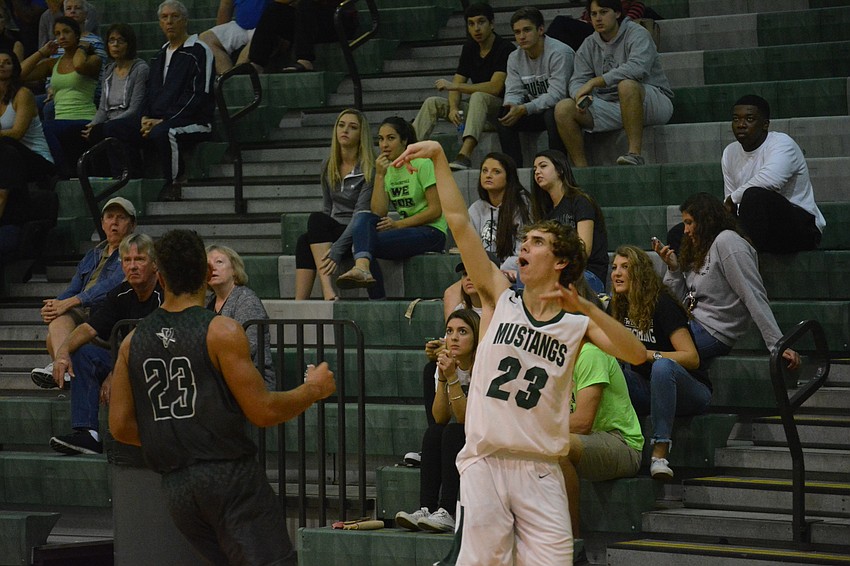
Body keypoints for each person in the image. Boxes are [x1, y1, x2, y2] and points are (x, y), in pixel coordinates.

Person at [392, 140, 645, 564]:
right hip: (486, 462)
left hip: (542, 468)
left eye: (537, 242)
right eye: (524, 241)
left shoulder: (577, 324)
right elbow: (458, 222)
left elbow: (637, 355)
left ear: (561, 260)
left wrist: (585, 308)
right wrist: (439, 158)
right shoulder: (498, 298)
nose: (523, 247)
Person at [109, 229, 336, 565]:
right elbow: (262, 411)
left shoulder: (132, 342)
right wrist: (312, 389)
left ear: (159, 276)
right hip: (229, 478)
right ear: (205, 273)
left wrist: (179, 436)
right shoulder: (220, 330)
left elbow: (120, 427)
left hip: (177, 488)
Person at [654, 192, 801, 372]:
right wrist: (674, 270)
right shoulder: (700, 248)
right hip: (692, 323)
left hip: (715, 332)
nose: (685, 230)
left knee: (654, 352)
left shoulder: (728, 241)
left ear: (706, 221)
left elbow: (753, 294)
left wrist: (777, 344)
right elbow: (680, 302)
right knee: (646, 342)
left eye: (689, 222)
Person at [48, 233, 162, 455]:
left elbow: (149, 345)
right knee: (83, 353)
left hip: (157, 361)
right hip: (127, 359)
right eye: (127, 261)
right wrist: (62, 353)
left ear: (155, 264)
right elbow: (87, 329)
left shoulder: (164, 294)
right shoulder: (121, 293)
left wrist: (115, 374)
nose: (133, 266)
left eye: (140, 260)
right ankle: (88, 435)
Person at [609, 245, 710, 480]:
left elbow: (691, 357)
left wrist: (645, 354)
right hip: (647, 389)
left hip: (689, 390)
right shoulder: (618, 306)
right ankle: (613, 440)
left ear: (641, 272)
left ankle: (660, 453)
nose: (617, 273)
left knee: (662, 367)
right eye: (614, 268)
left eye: (625, 267)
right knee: (606, 367)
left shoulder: (662, 304)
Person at [101, 0, 214, 202]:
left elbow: (199, 94)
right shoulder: (159, 55)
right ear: (160, 23)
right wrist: (145, 117)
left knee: (164, 132)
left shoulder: (199, 50)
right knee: (113, 129)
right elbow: (149, 93)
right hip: (157, 120)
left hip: (194, 121)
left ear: (185, 20)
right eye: (164, 17)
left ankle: (174, 183)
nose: (169, 21)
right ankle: (130, 179)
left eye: (174, 16)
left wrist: (165, 120)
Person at [335, 116, 447, 300]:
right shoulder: (386, 170)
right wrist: (379, 176)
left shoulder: (422, 163)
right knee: (363, 219)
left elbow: (436, 210)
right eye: (380, 139)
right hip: (407, 230)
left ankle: (376, 298)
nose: (384, 144)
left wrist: (398, 225)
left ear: (404, 141)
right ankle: (362, 268)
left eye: (391, 138)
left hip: (432, 232)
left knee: (366, 243)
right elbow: (379, 213)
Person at [31, 197, 135, 387]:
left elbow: (112, 285)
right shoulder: (92, 255)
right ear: (102, 223)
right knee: (55, 325)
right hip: (82, 309)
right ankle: (66, 369)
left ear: (132, 224)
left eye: (121, 218)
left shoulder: (132, 254)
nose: (114, 223)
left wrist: (71, 302)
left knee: (53, 337)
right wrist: (54, 305)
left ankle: (61, 366)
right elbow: (73, 287)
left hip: (105, 311)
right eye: (110, 217)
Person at [555, 0, 673, 167]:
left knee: (626, 85)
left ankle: (634, 154)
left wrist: (598, 81)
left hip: (650, 100)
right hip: (611, 105)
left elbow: (638, 68)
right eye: (594, 14)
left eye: (603, 12)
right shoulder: (589, 43)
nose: (598, 18)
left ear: (617, 13)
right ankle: (582, 169)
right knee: (563, 108)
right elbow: (577, 79)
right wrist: (579, 94)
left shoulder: (637, 33)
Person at [396, 309, 481, 534]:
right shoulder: (444, 364)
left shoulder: (483, 366)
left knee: (454, 432)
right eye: (449, 331)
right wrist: (443, 376)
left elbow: (465, 419)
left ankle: (447, 511)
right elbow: (440, 416)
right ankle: (426, 508)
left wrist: (452, 377)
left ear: (477, 337)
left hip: (489, 432)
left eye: (462, 331)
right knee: (435, 433)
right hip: (465, 430)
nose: (453, 337)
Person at [412, 3, 514, 171]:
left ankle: (464, 156)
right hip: (477, 112)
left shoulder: (505, 48)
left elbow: (495, 87)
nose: (476, 28)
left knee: (479, 96)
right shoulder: (470, 47)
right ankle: (407, 150)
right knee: (433, 102)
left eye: (481, 22)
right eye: (471, 23)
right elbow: (457, 81)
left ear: (492, 24)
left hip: (500, 112)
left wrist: (456, 86)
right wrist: (453, 107)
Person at [560, 333, 643, 537]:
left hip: (621, 443)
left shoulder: (590, 353)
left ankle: (572, 542)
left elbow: (582, 423)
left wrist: (532, 428)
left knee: (558, 448)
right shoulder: (553, 359)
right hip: (587, 440)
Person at [721, 94, 825, 253]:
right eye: (736, 119)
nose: (741, 124)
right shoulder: (729, 152)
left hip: (800, 227)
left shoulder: (783, 144)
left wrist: (732, 198)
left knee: (754, 195)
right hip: (755, 226)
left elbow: (770, 182)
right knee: (689, 228)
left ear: (765, 124)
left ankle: (746, 256)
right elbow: (731, 206)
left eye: (749, 119)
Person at [294, 108, 374, 300]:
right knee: (304, 240)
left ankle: (327, 290)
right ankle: (299, 302)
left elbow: (360, 214)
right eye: (341, 125)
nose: (345, 130)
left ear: (361, 134)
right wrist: (324, 238)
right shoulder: (328, 164)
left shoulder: (370, 167)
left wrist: (336, 249)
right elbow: (327, 207)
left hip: (357, 231)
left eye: (352, 127)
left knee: (316, 220)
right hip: (334, 227)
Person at [20, 16, 100, 177]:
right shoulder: (53, 64)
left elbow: (79, 66)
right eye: (57, 34)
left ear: (77, 35)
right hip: (61, 119)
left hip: (84, 118)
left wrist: (82, 48)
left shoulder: (93, 59)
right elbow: (19, 74)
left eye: (66, 32)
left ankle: (61, 173)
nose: (61, 37)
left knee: (44, 127)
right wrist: (42, 52)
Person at [497, 6, 573, 168]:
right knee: (504, 114)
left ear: (540, 30)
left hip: (563, 111)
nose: (522, 37)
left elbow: (558, 94)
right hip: (533, 109)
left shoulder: (559, 52)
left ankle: (558, 166)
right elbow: (513, 90)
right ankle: (513, 171)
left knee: (553, 113)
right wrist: (512, 105)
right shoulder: (514, 57)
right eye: (517, 32)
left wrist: (524, 108)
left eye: (527, 30)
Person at [0, 49, 56, 262]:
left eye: (7, 62)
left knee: (5, 143)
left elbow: (16, 133)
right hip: (9, 161)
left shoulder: (23, 94)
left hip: (37, 160)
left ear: (15, 67)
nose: (2, 65)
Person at [530, 149, 608, 293]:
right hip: (558, 271)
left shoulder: (580, 201)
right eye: (535, 169)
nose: (537, 172)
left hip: (587, 274)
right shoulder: (545, 212)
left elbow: (584, 249)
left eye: (543, 166)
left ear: (560, 170)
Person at [206, 244, 276, 390]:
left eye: (219, 262)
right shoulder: (207, 302)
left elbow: (249, 348)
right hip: (218, 379)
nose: (213, 268)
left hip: (252, 380)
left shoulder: (246, 300)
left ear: (234, 270)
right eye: (208, 264)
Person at [81, 24, 149, 146]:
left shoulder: (140, 69)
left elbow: (135, 109)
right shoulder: (108, 70)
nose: (115, 45)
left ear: (129, 44)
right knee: (83, 132)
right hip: (109, 122)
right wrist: (93, 125)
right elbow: (102, 108)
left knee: (104, 131)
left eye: (121, 41)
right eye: (111, 40)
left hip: (130, 122)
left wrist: (104, 126)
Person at [247, 0, 358, 73]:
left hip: (341, 19)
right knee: (274, 10)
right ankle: (257, 64)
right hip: (311, 20)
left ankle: (305, 60)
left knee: (306, 4)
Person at [200, 0, 268, 75]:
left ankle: (236, 78)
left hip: (265, 27)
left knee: (259, 36)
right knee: (206, 38)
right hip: (240, 27)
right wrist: (222, 36)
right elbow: (226, 4)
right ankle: (226, 75)